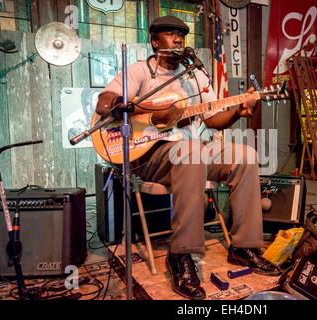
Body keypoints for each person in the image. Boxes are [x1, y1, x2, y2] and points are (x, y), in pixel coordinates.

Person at [95, 15, 279, 300]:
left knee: (246, 155)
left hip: (191, 151)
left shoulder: (197, 76)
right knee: (191, 153)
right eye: (170, 34)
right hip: (151, 154)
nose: (179, 39)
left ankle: (244, 246)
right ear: (155, 42)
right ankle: (180, 255)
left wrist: (237, 111)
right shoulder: (139, 72)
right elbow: (105, 102)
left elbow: (214, 119)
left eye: (182, 35)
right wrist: (151, 110)